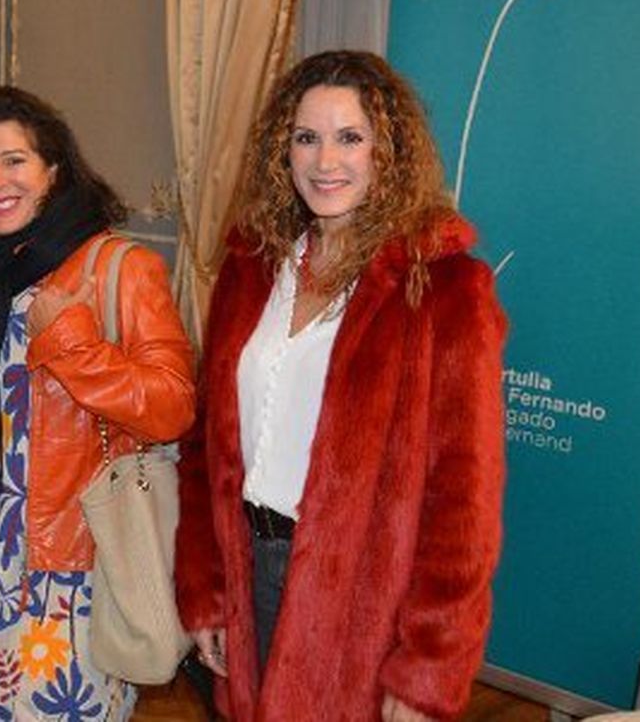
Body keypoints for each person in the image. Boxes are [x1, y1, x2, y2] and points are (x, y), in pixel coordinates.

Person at [174, 50, 506, 721]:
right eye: (307, 137)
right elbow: (206, 445)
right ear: (283, 151)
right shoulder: (251, 267)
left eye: (350, 137)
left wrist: (429, 664)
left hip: (365, 601)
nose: (326, 161)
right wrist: (206, 588)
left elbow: (464, 500)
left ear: (388, 151)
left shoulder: (444, 288)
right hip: (247, 566)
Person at [0, 85, 196, 720]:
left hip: (72, 568)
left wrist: (75, 347)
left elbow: (172, 405)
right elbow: (6, 405)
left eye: (14, 160)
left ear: (53, 169)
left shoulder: (119, 267)